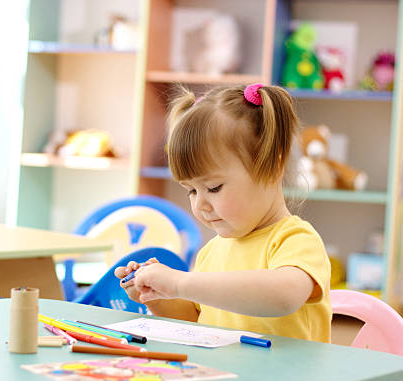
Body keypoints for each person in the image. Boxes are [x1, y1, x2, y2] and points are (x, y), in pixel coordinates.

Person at [115, 83, 332, 342]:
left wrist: (180, 284)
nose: (200, 205)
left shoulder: (295, 240)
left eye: (213, 188)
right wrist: (157, 296)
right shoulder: (212, 252)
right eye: (192, 191)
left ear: (272, 168)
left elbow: (283, 297)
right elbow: (198, 322)